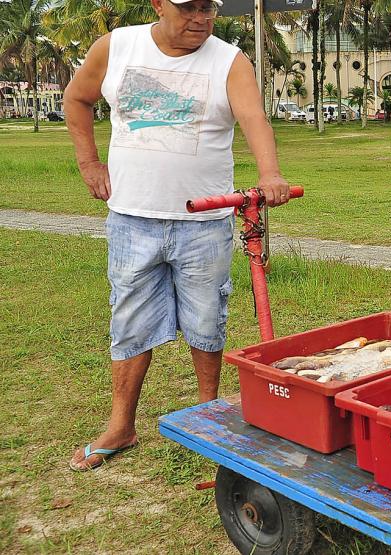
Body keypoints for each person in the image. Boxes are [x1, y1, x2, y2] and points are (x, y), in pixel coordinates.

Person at [64, 0, 291, 471]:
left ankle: (207, 419)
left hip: (205, 223)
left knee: (206, 322)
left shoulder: (230, 60)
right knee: (129, 322)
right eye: (189, 8)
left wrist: (270, 173)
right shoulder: (117, 47)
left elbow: (253, 118)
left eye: (209, 7)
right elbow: (76, 98)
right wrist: (89, 163)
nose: (202, 17)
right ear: (159, 5)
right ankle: (121, 425)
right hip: (132, 218)